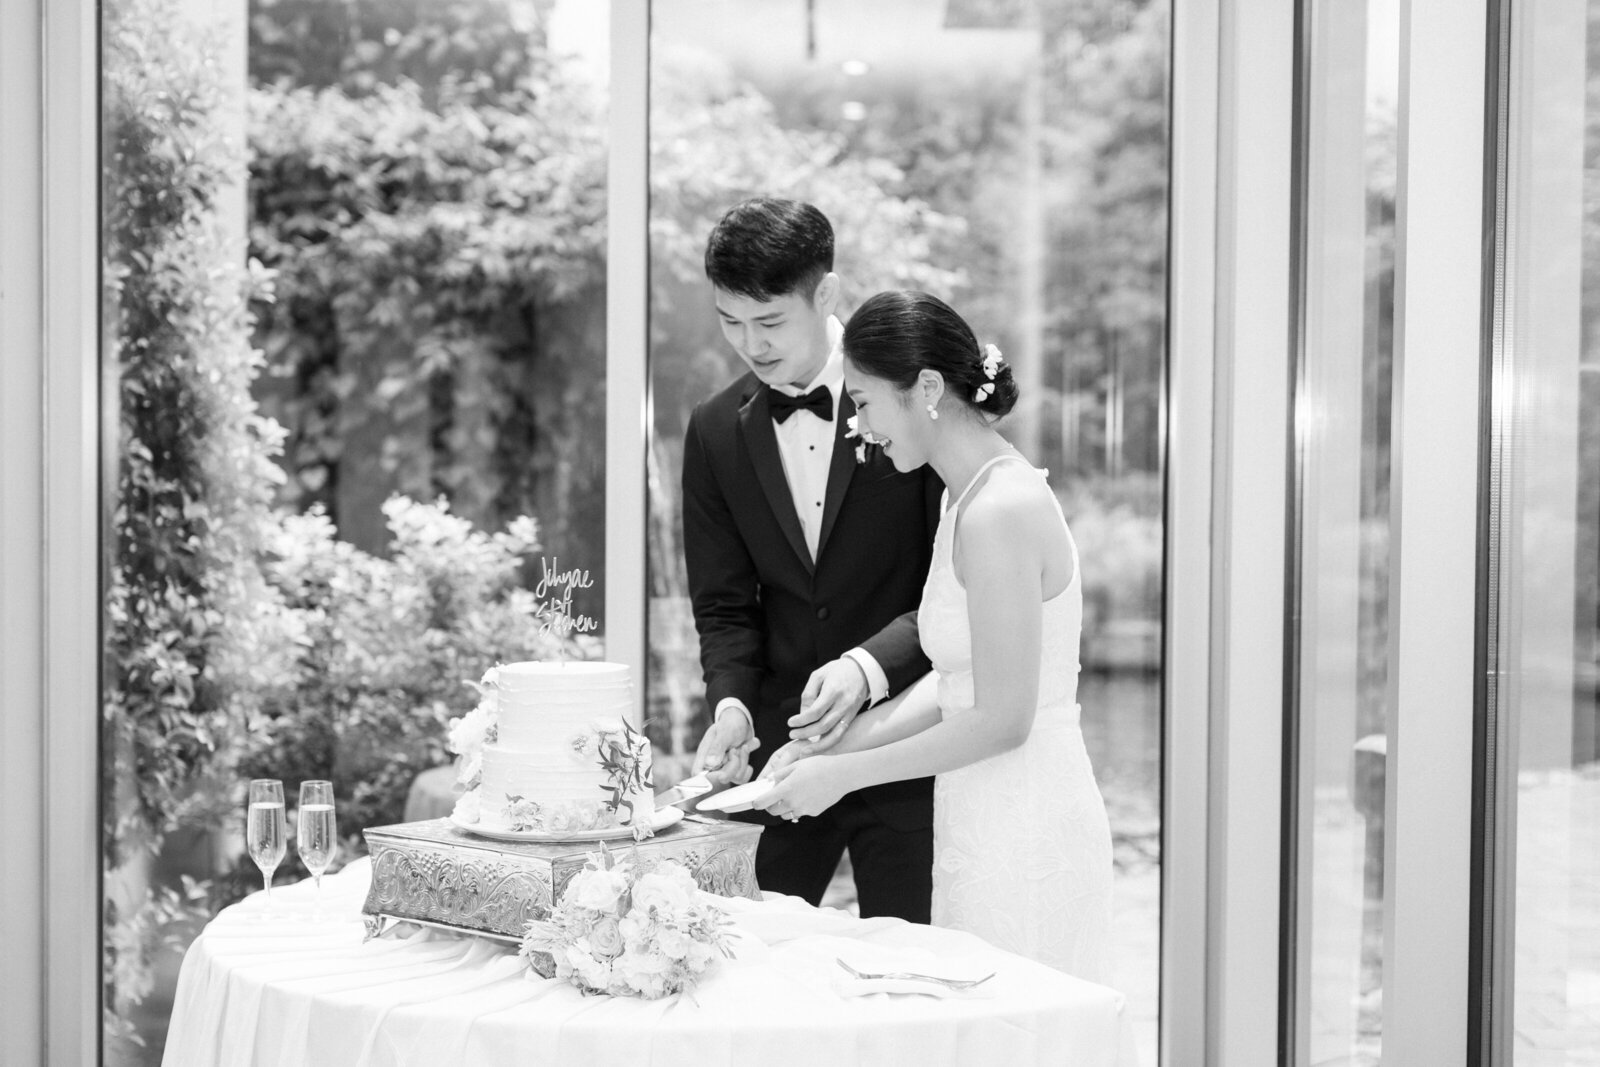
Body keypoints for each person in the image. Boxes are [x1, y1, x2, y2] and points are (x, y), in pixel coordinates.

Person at [751, 289, 1114, 981]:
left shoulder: (999, 509)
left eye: (863, 402)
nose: (859, 426)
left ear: (925, 388)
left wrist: (842, 775)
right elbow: (957, 684)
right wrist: (818, 749)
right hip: (979, 812)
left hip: (1026, 824)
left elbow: (1002, 720)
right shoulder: (965, 495)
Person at [681, 199, 943, 921]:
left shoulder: (907, 397)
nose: (749, 344)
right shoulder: (713, 431)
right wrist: (731, 704)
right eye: (730, 321)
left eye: (769, 322)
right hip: (781, 756)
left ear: (825, 294)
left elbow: (950, 587)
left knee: (911, 982)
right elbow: (725, 603)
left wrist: (869, 668)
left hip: (909, 745)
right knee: (745, 973)